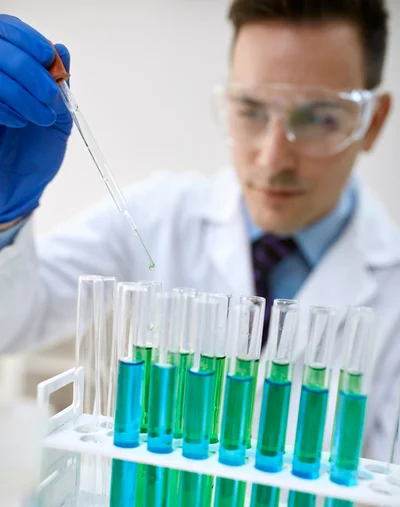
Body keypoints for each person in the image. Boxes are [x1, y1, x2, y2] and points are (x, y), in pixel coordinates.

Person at [0, 1, 399, 462]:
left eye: (319, 118)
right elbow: (11, 323)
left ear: (373, 121)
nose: (273, 159)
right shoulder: (160, 216)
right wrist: (6, 217)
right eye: (251, 110)